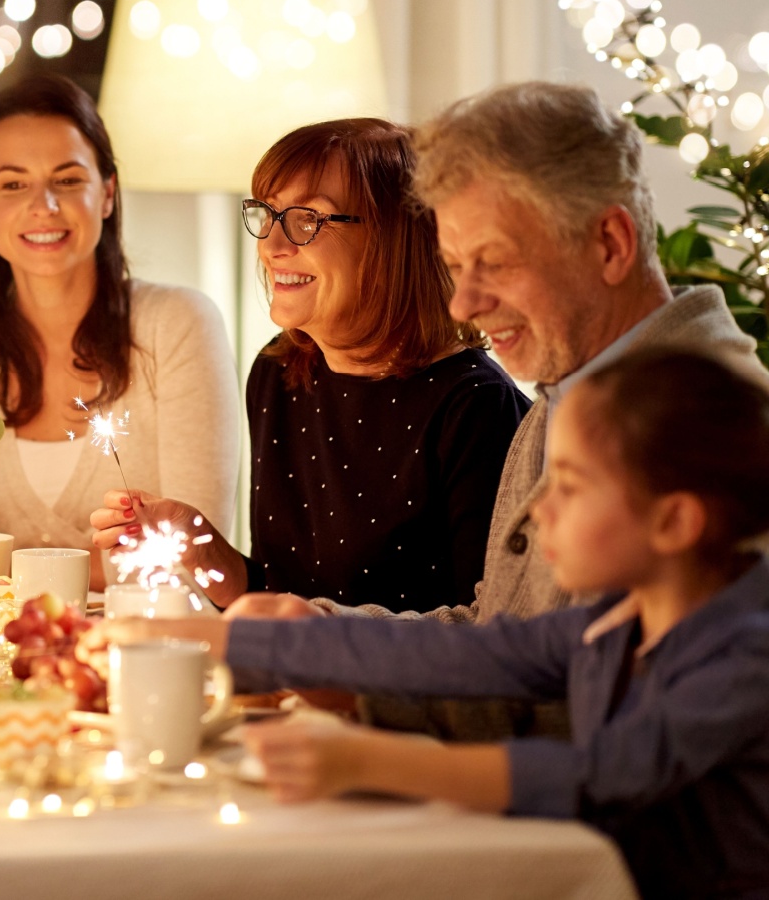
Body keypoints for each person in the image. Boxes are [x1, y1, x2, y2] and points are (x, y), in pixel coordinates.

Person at [110, 349, 769, 898]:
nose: (539, 513)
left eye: (569, 485)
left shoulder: (746, 656)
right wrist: (229, 640)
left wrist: (373, 760)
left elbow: (600, 777)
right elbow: (469, 655)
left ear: (675, 521)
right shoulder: (619, 619)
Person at [95, 119, 527, 610]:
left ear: (395, 239)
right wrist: (200, 545)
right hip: (296, 681)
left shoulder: (475, 409)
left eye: (307, 220)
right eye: (269, 215)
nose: (273, 246)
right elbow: (280, 598)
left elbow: (488, 633)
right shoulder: (278, 372)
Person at [0, 74, 240, 591]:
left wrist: (6, 571)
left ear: (107, 194)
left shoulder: (179, 325)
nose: (44, 206)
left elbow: (197, 559)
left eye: (68, 179)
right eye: (13, 184)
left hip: (155, 647)